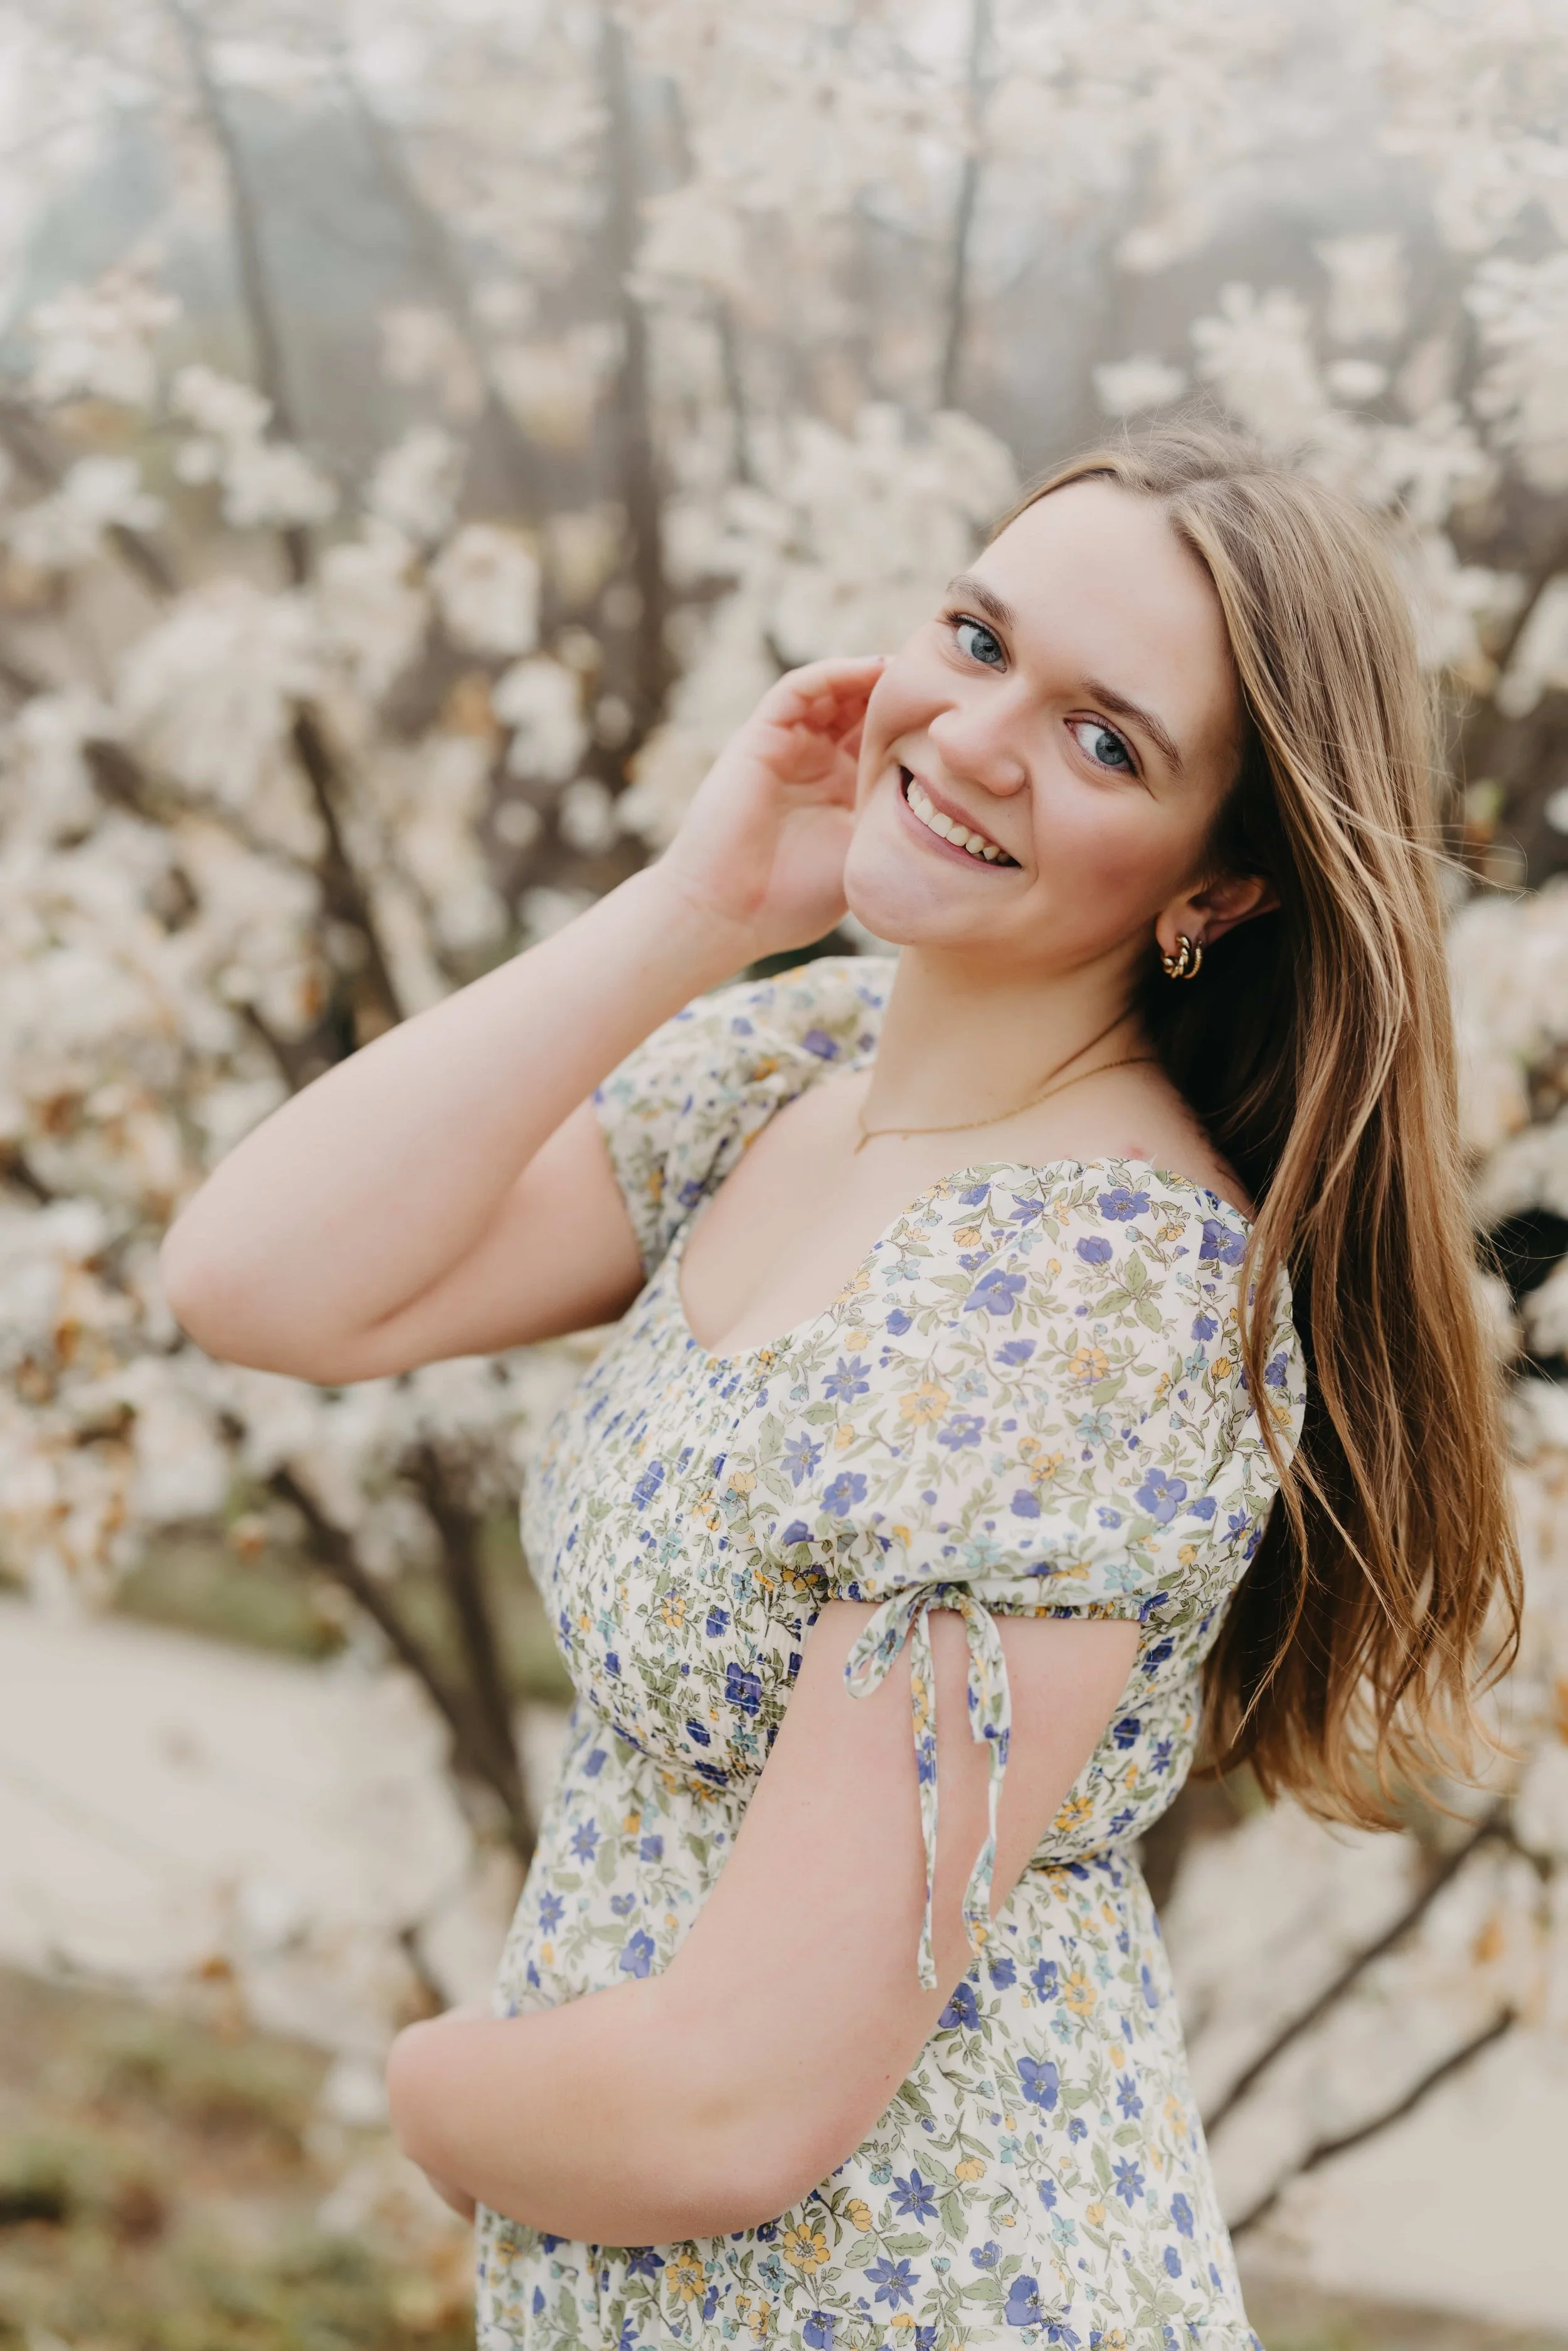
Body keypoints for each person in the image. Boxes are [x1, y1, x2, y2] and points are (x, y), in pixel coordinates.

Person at [161, 424, 1521, 2349]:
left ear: (1216, 888)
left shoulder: (1086, 1298)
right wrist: (702, 902)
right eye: (973, 639)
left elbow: (731, 2097)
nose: (972, 736)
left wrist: (434, 2089)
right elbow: (260, 1279)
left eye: (1102, 737)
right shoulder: (808, 1061)